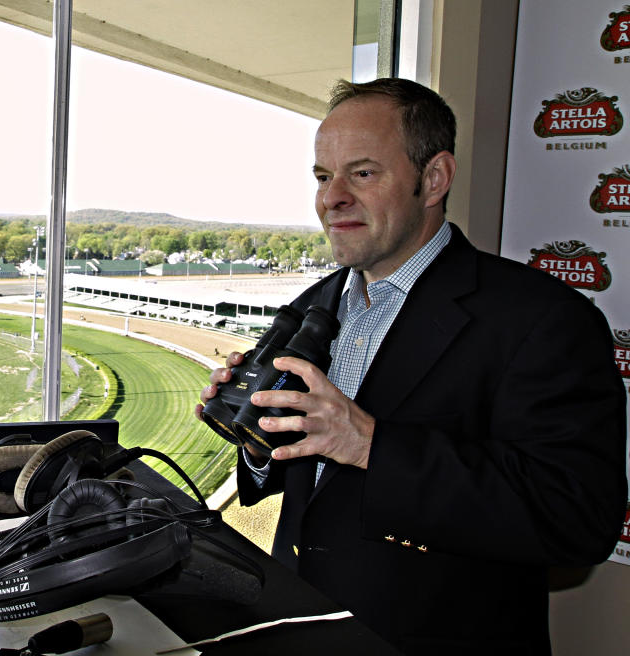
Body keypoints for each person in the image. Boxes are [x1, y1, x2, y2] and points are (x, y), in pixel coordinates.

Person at [195, 78, 627, 655]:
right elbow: (308, 487)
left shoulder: (544, 319)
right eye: (323, 177)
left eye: (363, 173)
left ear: (434, 179)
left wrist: (373, 444)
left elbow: (578, 519)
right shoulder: (312, 304)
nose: (333, 198)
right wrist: (259, 438)